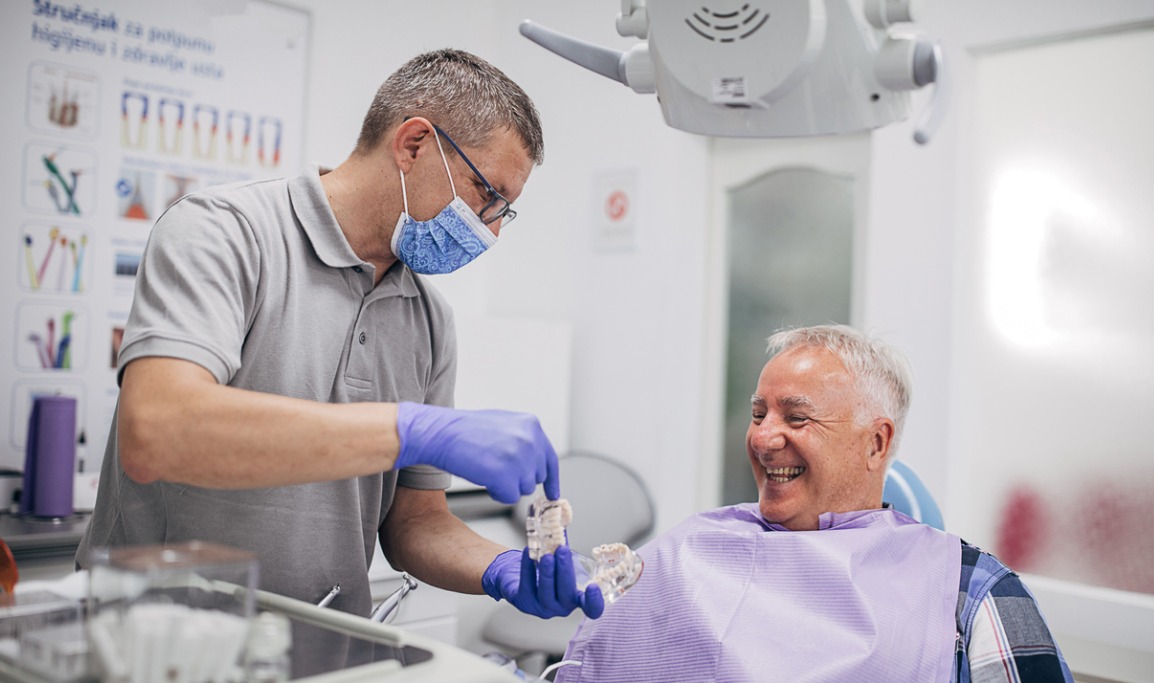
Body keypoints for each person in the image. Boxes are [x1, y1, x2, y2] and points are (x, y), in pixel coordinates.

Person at [75, 49, 603, 622]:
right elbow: (157, 432)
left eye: (506, 211)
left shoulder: (428, 318)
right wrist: (407, 429)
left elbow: (414, 522)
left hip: (324, 651)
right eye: (487, 195)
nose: (492, 229)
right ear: (413, 144)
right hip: (160, 644)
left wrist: (500, 568)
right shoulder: (223, 233)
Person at [556, 325, 1073, 682]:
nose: (762, 439)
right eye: (759, 415)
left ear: (876, 443)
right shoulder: (691, 546)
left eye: (796, 419)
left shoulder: (968, 591)